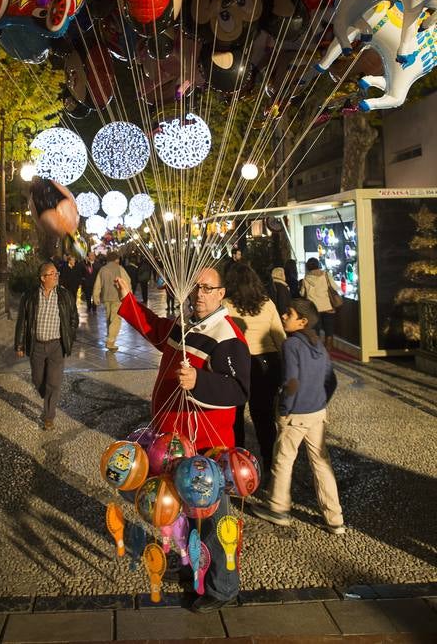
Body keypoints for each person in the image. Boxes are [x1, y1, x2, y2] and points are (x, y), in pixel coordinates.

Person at [115, 266, 250, 613]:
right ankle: (198, 574)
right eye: (196, 289)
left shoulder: (228, 336)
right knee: (188, 517)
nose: (200, 295)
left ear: (222, 293)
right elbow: (157, 332)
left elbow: (239, 390)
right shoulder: (185, 324)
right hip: (174, 442)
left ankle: (223, 588)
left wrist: (199, 383)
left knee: (212, 517)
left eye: (208, 289)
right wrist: (128, 299)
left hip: (206, 446)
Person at [250, 299, 344, 535]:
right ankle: (335, 518)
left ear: (302, 321)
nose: (283, 316)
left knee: (283, 460)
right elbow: (331, 380)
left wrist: (284, 408)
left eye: (288, 314)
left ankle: (278, 508)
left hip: (296, 414)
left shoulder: (292, 345)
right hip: (317, 413)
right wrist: (319, 401)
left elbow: (291, 381)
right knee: (321, 463)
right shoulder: (318, 344)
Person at [223, 262, 285, 481]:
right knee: (264, 418)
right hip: (266, 365)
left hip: (236, 365)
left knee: (235, 417)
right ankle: (270, 463)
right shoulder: (267, 304)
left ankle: (236, 465)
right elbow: (280, 337)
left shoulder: (225, 305)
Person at [14, 261, 78, 430]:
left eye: (57, 273)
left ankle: (48, 417)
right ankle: (47, 394)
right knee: (37, 379)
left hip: (57, 345)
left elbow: (73, 318)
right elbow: (23, 321)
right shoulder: (30, 297)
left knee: (54, 383)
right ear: (43, 278)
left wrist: (69, 337)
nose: (56, 276)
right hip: (37, 346)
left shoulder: (65, 295)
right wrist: (20, 344)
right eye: (52, 273)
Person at [300, 257, 342, 352]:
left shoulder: (306, 279)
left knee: (316, 329)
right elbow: (335, 287)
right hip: (327, 306)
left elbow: (302, 293)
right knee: (329, 328)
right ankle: (328, 348)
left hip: (314, 308)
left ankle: (317, 348)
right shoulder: (326, 275)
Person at [92, 252, 131, 352]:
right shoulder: (119, 268)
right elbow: (127, 281)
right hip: (117, 297)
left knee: (109, 318)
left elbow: (97, 284)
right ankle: (110, 341)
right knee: (116, 320)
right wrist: (129, 294)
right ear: (116, 259)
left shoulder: (103, 269)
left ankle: (110, 339)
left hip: (106, 297)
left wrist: (96, 296)